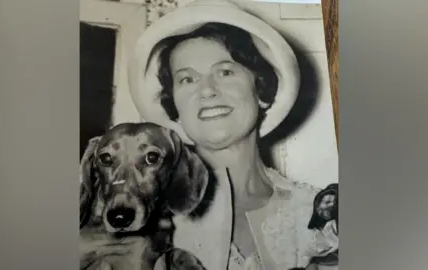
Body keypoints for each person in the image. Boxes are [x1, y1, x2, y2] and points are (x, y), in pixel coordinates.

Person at [128, 0, 330, 269]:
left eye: (225, 72)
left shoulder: (320, 215)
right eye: (187, 79)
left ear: (261, 90)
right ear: (173, 105)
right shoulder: (141, 217)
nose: (207, 90)